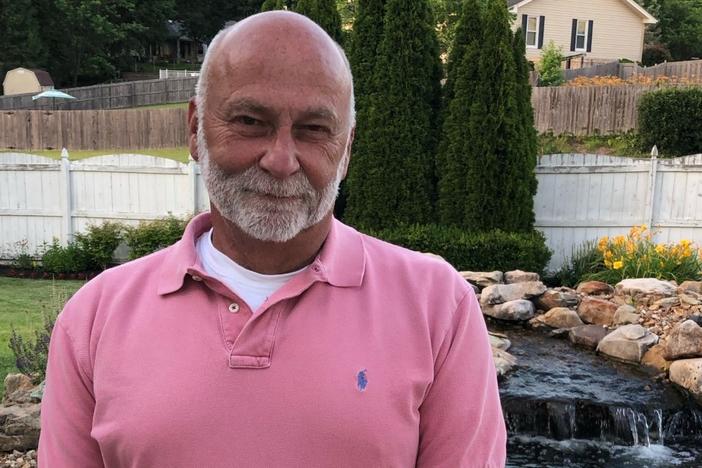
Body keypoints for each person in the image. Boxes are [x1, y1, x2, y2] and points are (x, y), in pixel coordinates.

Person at [38, 11, 506, 468]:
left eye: (314, 130)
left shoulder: (437, 308)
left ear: (346, 150)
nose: (281, 160)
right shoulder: (94, 319)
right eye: (249, 121)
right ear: (195, 129)